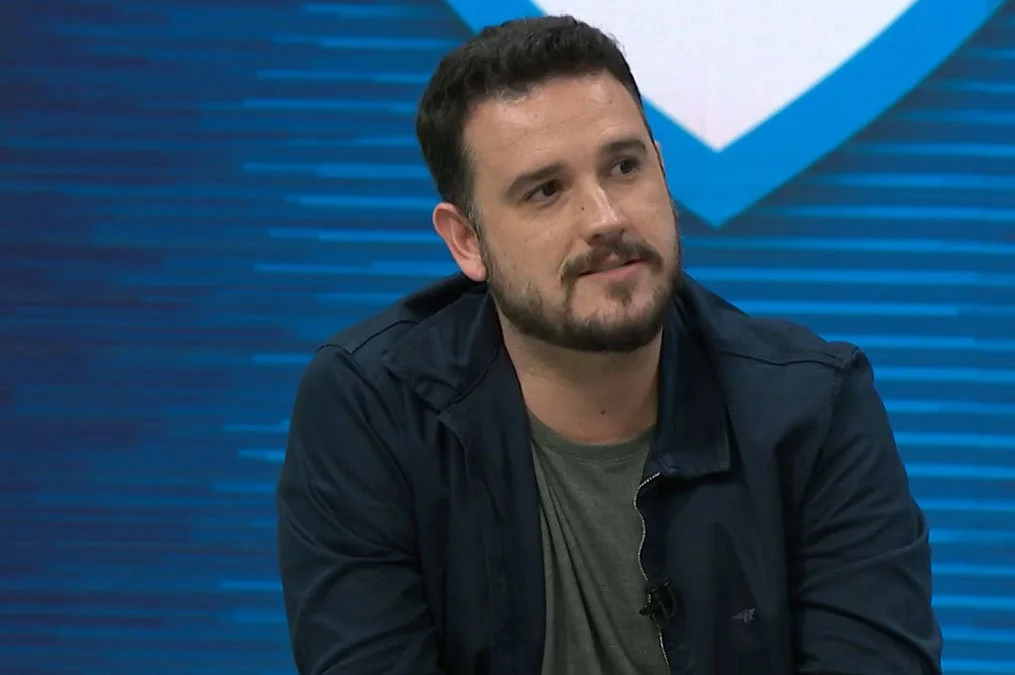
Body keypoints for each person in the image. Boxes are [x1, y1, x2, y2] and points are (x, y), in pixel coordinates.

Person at [276, 14, 941, 675]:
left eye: (624, 166)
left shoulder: (812, 407)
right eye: (546, 190)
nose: (606, 218)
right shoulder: (375, 411)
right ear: (467, 241)